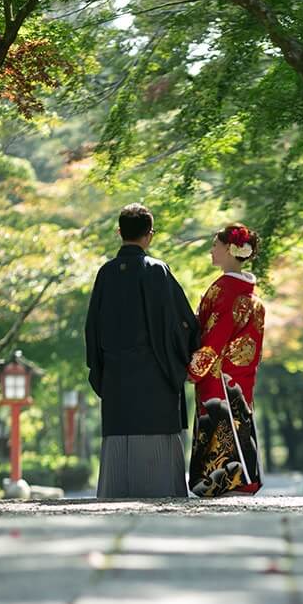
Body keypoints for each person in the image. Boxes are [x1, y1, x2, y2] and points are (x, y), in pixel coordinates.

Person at [85, 203, 198, 498]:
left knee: (119, 442)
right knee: (158, 442)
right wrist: (186, 358)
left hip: (117, 377)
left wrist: (100, 372)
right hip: (156, 377)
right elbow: (181, 322)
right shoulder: (157, 271)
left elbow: (92, 328)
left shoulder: (106, 273)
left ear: (119, 232)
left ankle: (116, 492)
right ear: (150, 234)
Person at [187, 223, 265, 497]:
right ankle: (243, 479)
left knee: (221, 421)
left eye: (215, 245)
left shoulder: (227, 289)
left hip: (218, 372)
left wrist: (195, 368)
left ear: (231, 251)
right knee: (236, 420)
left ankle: (222, 481)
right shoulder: (246, 290)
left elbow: (215, 335)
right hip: (238, 372)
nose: (211, 250)